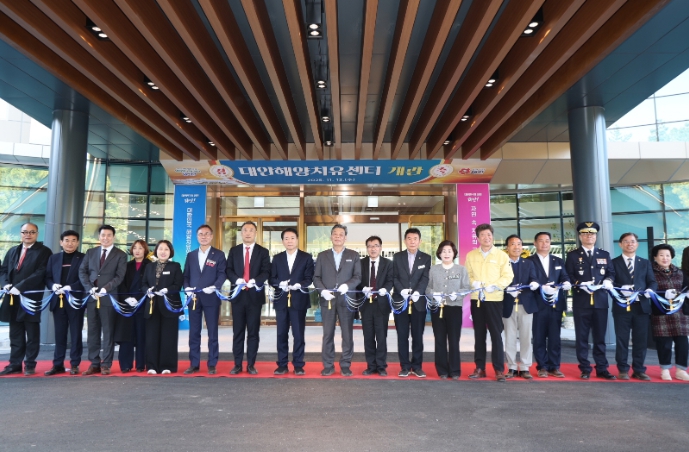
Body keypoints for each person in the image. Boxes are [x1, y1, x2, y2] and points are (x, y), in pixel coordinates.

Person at [565, 221, 616, 380]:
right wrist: (579, 284)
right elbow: (568, 275)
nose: (589, 236)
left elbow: (611, 273)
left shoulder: (604, 254)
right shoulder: (573, 255)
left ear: (596, 236)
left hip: (600, 301)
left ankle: (602, 368)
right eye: (585, 233)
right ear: (580, 236)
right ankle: (585, 368)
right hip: (582, 301)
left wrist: (608, 280)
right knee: (582, 337)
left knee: (600, 337)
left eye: (592, 233)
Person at [0, 222, 52, 376]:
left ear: (37, 234)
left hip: (30, 298)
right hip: (12, 297)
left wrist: (20, 287)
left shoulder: (44, 251)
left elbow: (41, 273)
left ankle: (30, 364)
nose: (28, 235)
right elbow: (3, 270)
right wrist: (5, 284)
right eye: (25, 232)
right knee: (15, 332)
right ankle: (15, 364)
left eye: (31, 232)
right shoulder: (13, 250)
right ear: (20, 233)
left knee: (32, 333)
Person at [465, 223, 513, 382]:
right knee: (479, 335)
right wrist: (473, 283)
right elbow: (467, 275)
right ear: (478, 238)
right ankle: (480, 368)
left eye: (489, 235)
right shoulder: (471, 255)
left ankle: (499, 369)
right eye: (483, 235)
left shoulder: (501, 255)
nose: (486, 238)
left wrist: (496, 285)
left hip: (494, 299)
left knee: (496, 335)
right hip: (477, 299)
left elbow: (508, 276)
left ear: (492, 236)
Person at [313, 224, 362, 376]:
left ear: (345, 237)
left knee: (347, 334)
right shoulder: (322, 255)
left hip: (346, 299)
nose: (338, 236)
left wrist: (347, 286)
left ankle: (345, 364)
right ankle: (328, 365)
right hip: (328, 300)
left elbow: (358, 277)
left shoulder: (354, 255)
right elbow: (316, 277)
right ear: (331, 236)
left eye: (341, 234)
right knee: (328, 333)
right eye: (335, 234)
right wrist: (323, 291)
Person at [78, 225, 127, 376]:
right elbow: (82, 271)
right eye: (103, 235)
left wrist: (106, 288)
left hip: (108, 297)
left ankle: (106, 364)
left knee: (108, 332)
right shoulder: (91, 252)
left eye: (109, 235)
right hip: (92, 297)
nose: (105, 238)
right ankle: (94, 363)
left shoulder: (120, 255)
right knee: (92, 331)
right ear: (99, 237)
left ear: (113, 237)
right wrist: (89, 288)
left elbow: (119, 276)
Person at [226, 221, 271, 375]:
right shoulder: (234, 251)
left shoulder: (263, 252)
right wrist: (236, 280)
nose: (248, 233)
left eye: (251, 230)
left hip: (254, 297)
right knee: (238, 332)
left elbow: (266, 271)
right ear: (241, 233)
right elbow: (228, 269)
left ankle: (251, 364)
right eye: (245, 230)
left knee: (253, 332)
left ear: (255, 233)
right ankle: (237, 364)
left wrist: (255, 281)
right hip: (238, 296)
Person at [612, 233, 657, 380]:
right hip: (621, 306)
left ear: (637, 244)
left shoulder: (645, 262)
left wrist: (650, 291)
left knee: (640, 340)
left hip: (641, 307)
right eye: (626, 241)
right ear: (620, 244)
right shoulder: (613, 263)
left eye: (632, 241)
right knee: (622, 340)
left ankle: (639, 369)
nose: (629, 244)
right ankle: (623, 369)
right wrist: (620, 288)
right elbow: (610, 283)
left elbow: (652, 282)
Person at [183, 224, 227, 375]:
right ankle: (194, 363)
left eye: (207, 234)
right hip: (194, 298)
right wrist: (187, 288)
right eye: (201, 234)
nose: (204, 236)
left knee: (212, 333)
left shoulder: (219, 254)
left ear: (211, 236)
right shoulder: (191, 255)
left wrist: (215, 286)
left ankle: (212, 363)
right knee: (194, 332)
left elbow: (222, 274)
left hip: (211, 298)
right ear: (197, 237)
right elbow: (186, 275)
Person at [270, 227, 314, 376]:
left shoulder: (306, 257)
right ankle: (282, 364)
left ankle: (298, 364)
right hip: (281, 300)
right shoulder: (277, 258)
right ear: (282, 241)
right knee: (281, 334)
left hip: (299, 300)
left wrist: (300, 285)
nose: (289, 241)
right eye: (286, 238)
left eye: (292, 238)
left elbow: (309, 278)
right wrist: (279, 283)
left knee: (298, 334)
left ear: (297, 240)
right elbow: (272, 279)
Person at [527, 232, 571, 378]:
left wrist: (566, 282)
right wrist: (536, 284)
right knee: (538, 336)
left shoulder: (558, 261)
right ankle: (542, 366)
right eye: (541, 241)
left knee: (555, 337)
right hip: (537, 304)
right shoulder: (529, 261)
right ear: (535, 243)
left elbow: (564, 276)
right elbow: (529, 278)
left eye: (547, 241)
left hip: (555, 304)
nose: (544, 243)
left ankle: (554, 366)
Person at [426, 240, 470, 380]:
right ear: (439, 253)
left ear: (454, 253)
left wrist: (457, 294)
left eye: (449, 251)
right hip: (437, 308)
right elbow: (427, 288)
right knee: (439, 339)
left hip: (454, 308)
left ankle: (455, 370)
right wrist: (434, 294)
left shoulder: (461, 269)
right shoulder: (433, 270)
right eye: (443, 251)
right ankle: (442, 370)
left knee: (454, 340)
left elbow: (466, 287)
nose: (446, 253)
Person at [44, 230, 85, 376]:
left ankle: (75, 364)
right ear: (61, 242)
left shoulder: (83, 258)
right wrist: (52, 286)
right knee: (59, 335)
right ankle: (58, 364)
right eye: (67, 240)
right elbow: (47, 277)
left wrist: (71, 287)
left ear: (78, 242)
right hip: (58, 301)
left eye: (74, 240)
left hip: (75, 301)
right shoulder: (53, 258)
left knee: (75, 334)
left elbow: (85, 279)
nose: (70, 243)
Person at [392, 228, 431, 378]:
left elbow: (425, 278)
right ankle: (404, 366)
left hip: (418, 302)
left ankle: (417, 366)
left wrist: (418, 292)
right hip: (401, 301)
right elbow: (394, 277)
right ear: (405, 241)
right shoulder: (397, 257)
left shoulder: (426, 258)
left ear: (420, 241)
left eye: (415, 238)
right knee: (402, 336)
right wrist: (401, 290)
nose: (412, 241)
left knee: (417, 336)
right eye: (409, 238)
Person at [141, 240, 183, 374]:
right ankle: (152, 366)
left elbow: (178, 284)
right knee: (151, 338)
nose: (163, 252)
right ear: (156, 251)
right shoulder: (149, 266)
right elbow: (143, 283)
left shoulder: (175, 266)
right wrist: (147, 290)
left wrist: (167, 290)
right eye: (160, 249)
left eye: (166, 249)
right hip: (152, 306)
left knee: (168, 337)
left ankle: (167, 366)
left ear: (170, 252)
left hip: (169, 305)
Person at [502, 235, 539, 379]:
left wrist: (534, 283)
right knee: (510, 337)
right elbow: (498, 282)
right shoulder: (502, 263)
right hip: (508, 304)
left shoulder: (528, 263)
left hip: (526, 304)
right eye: (512, 244)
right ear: (507, 247)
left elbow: (534, 278)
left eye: (519, 244)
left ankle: (525, 367)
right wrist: (507, 289)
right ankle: (511, 367)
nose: (516, 247)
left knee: (526, 337)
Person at [650, 244, 689, 381]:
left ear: (671, 257)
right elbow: (648, 290)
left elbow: (686, 288)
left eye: (667, 255)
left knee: (682, 342)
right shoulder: (651, 272)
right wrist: (662, 294)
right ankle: (665, 369)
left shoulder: (680, 272)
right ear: (655, 257)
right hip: (661, 311)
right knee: (664, 343)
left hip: (679, 312)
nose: (665, 258)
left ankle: (681, 370)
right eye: (661, 255)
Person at [357, 235, 393, 376]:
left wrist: (386, 289)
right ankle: (371, 366)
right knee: (368, 336)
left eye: (376, 246)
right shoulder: (360, 263)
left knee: (381, 336)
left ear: (380, 248)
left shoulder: (388, 263)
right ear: (367, 248)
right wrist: (363, 289)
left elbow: (390, 280)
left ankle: (381, 366)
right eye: (370, 246)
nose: (373, 249)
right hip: (366, 304)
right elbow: (357, 280)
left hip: (381, 304)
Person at [116, 240, 151, 373]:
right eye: (135, 248)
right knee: (127, 335)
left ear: (145, 250)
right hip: (127, 305)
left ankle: (141, 364)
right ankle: (126, 364)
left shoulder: (150, 265)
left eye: (140, 248)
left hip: (143, 303)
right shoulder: (126, 265)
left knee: (142, 335)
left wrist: (140, 298)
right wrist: (126, 298)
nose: (137, 250)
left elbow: (150, 284)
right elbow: (121, 283)